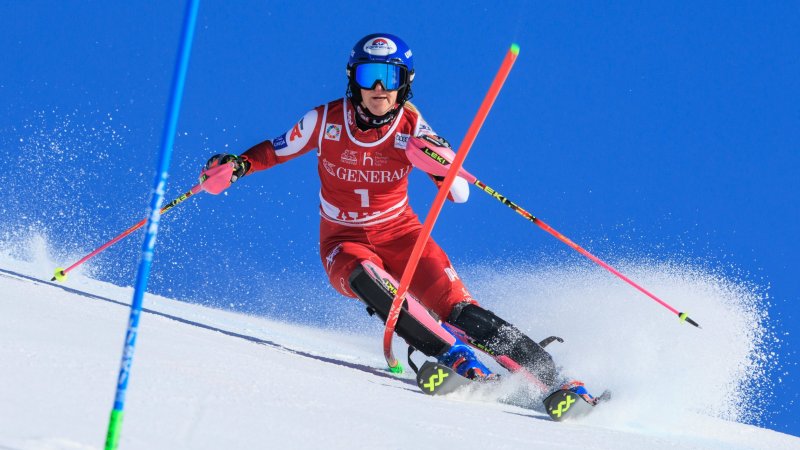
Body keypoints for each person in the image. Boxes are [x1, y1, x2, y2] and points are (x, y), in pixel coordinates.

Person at [202, 33, 597, 402]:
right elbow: (275, 150)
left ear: (404, 82)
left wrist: (438, 163)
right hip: (343, 239)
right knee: (365, 277)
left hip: (403, 236)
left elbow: (459, 193)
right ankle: (457, 358)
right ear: (352, 79)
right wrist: (235, 166)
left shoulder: (411, 127)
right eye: (368, 76)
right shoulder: (324, 121)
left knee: (458, 309)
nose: (378, 89)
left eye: (388, 77)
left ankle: (556, 380)